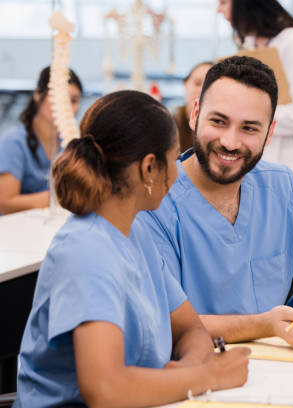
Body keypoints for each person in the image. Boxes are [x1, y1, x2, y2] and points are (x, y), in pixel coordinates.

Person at [14, 90, 249, 407]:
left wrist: (184, 372)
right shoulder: (85, 252)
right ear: (149, 168)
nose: (178, 173)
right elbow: (105, 391)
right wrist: (209, 377)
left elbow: (191, 329)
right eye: (174, 158)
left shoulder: (136, 231)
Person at [139, 56, 293, 352]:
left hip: (289, 364)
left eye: (249, 128)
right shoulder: (153, 203)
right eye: (218, 121)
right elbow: (165, 323)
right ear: (195, 114)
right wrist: (264, 325)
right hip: (200, 372)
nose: (230, 142)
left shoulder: (282, 186)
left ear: (270, 130)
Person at [217, 0, 293, 174]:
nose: (218, 10)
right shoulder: (250, 43)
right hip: (259, 163)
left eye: (223, 2)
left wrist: (250, 116)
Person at [0, 66, 82, 215]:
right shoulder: (13, 143)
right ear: (38, 94)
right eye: (58, 97)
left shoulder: (71, 143)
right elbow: (5, 203)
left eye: (73, 100)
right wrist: (58, 198)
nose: (65, 107)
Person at [174, 61, 214, 153]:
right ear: (185, 85)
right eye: (197, 83)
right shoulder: (169, 125)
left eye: (209, 85)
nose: (202, 90)